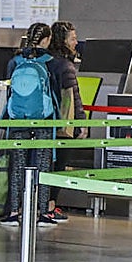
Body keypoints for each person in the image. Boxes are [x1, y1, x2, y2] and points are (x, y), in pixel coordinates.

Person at [1, 22, 58, 229]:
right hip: (43, 118)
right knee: (42, 164)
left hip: (17, 118)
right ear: (47, 40)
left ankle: (14, 212)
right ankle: (43, 212)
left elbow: (8, 89)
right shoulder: (50, 61)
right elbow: (55, 94)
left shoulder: (15, 61)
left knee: (17, 163)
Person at [46, 21, 85, 222]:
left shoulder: (44, 60)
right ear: (63, 41)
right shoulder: (66, 65)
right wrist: (81, 123)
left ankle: (40, 204)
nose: (76, 42)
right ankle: (51, 205)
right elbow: (73, 98)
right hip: (62, 125)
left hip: (44, 121)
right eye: (72, 38)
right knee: (59, 165)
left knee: (45, 163)